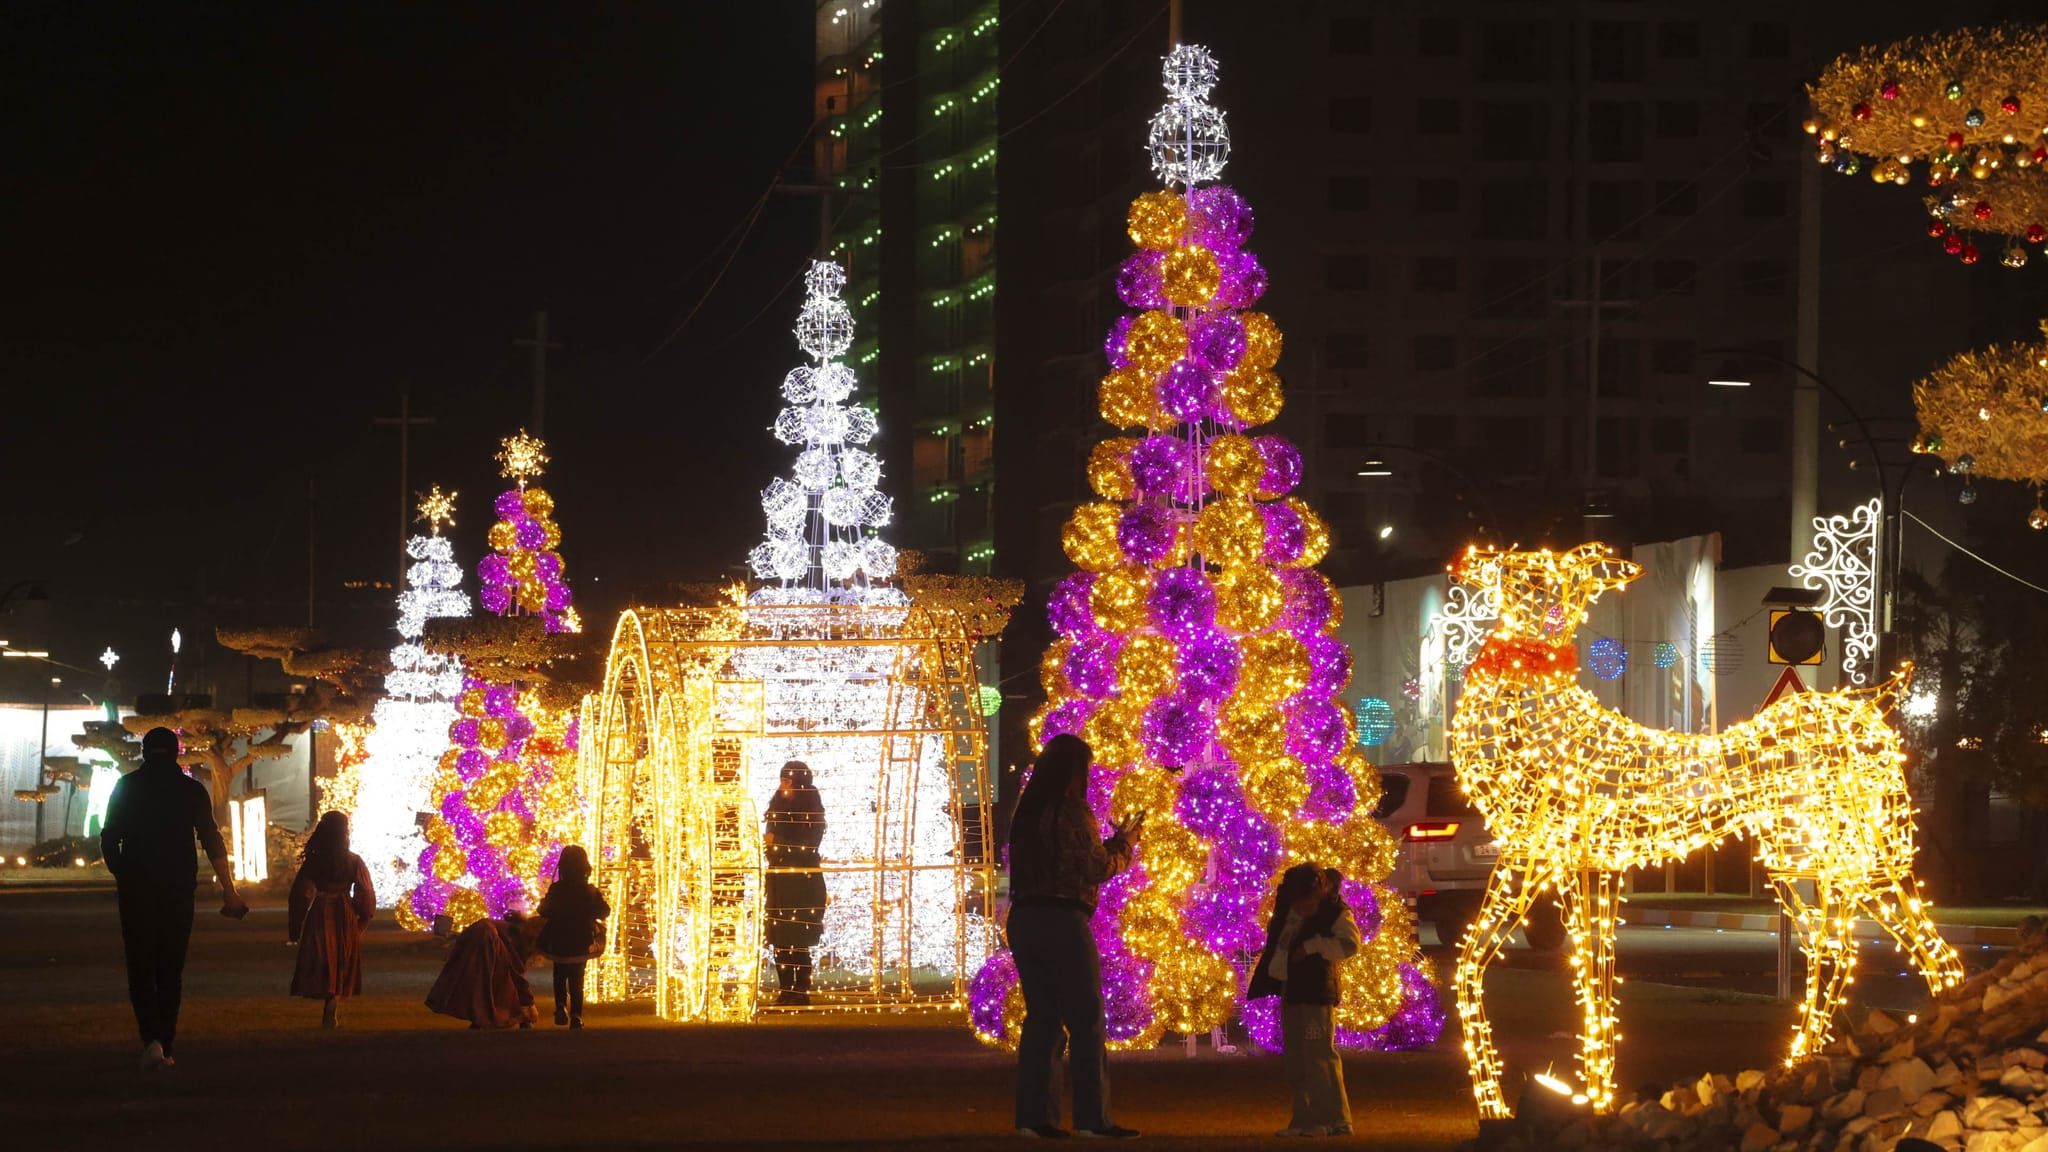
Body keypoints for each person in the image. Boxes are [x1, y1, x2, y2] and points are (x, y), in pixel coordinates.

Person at [1005, 733, 1144, 1140]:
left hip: (1025, 918)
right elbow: (1095, 867)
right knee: (1086, 1019)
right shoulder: (1072, 809)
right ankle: (1092, 1118)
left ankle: (1035, 1117)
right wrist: (1124, 845)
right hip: (1063, 919)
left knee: (1043, 1019)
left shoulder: (1027, 812)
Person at [99, 726, 249, 1071]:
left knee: (140, 965)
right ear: (177, 752)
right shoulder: (190, 790)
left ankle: (151, 1039)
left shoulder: (127, 787)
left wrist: (122, 873)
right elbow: (211, 838)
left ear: (144, 751)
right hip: (178, 889)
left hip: (137, 889)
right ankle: (165, 1044)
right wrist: (229, 889)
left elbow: (109, 837)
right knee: (170, 968)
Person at [1247, 863, 1360, 1137]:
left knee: (1319, 1055)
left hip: (1317, 993)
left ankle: (1334, 1119)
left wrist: (1313, 946)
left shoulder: (1334, 912)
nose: (1302, 909)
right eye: (1298, 904)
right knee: (1296, 1057)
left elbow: (1350, 944)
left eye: (1307, 904)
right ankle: (1305, 1118)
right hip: (1292, 990)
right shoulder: (1287, 909)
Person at [286, 811, 375, 1028]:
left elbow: (301, 893)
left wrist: (296, 926)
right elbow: (365, 892)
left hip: (321, 909)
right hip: (344, 910)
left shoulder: (315, 861)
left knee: (324, 954)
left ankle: (328, 992)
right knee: (341, 957)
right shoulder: (353, 861)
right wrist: (363, 917)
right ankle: (334, 997)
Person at [762, 761, 827, 1006]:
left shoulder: (810, 810)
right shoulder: (777, 807)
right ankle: (786, 988)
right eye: (782, 781)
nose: (783, 786)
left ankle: (799, 990)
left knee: (797, 938)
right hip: (779, 881)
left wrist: (777, 842)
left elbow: (808, 846)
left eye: (788, 781)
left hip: (801, 883)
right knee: (780, 939)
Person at [426, 899, 539, 1029]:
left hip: (477, 935)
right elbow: (516, 971)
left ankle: (480, 1017)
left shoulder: (511, 930)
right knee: (487, 982)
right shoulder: (515, 936)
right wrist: (528, 1002)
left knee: (477, 981)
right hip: (486, 938)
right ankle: (488, 1017)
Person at [536, 844, 609, 1027]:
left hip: (558, 938)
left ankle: (560, 1006)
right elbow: (604, 911)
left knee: (559, 974)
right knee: (577, 977)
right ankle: (576, 1015)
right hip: (582, 939)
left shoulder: (556, 890)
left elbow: (544, 911)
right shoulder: (590, 891)